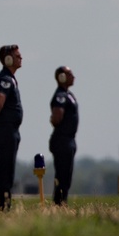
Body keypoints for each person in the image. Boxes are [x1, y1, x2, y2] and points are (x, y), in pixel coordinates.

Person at [0, 44, 23, 211]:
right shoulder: (6, 80)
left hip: (9, 131)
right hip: (5, 131)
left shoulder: (10, 79)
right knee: (5, 174)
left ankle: (2, 207)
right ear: (8, 59)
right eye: (17, 56)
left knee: (7, 173)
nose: (21, 58)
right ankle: (1, 208)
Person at [49, 66, 79, 205]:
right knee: (62, 176)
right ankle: (59, 204)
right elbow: (56, 117)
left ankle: (62, 202)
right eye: (69, 74)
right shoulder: (61, 95)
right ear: (61, 77)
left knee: (67, 176)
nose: (73, 76)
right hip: (62, 140)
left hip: (69, 140)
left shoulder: (69, 94)